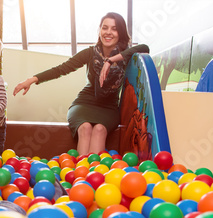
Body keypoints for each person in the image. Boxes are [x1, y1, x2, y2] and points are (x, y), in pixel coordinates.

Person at [13, 12, 149, 156]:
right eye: (105, 28)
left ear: (120, 32)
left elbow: (144, 47)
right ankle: (81, 175)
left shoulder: (126, 55)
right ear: (100, 30)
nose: (108, 32)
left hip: (108, 108)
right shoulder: (90, 53)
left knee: (99, 130)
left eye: (114, 29)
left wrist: (110, 60)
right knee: (85, 128)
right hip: (84, 104)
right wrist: (31, 80)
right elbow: (62, 69)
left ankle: (95, 175)